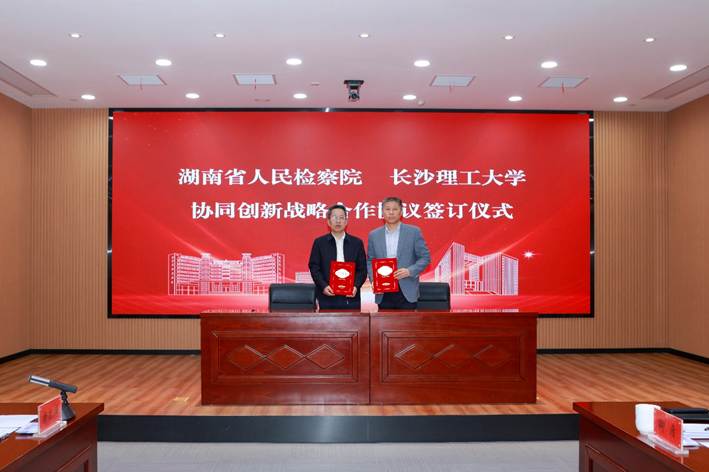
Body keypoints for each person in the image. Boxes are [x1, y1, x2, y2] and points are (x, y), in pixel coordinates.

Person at [367, 197, 431, 309]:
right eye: (387, 209)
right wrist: (374, 280)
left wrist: (409, 271)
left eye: (395, 209)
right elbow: (370, 260)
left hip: (407, 289)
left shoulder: (414, 232)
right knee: (384, 321)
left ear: (401, 212)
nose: (391, 212)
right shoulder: (374, 235)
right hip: (383, 290)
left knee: (407, 321)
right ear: (382, 212)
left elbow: (425, 257)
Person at [308, 204, 367, 310]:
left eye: (341, 218)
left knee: (352, 321)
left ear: (346, 221)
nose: (338, 221)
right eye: (335, 217)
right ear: (328, 221)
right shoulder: (319, 243)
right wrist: (323, 286)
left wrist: (355, 286)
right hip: (327, 294)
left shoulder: (357, 243)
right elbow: (314, 267)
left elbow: (362, 269)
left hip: (351, 296)